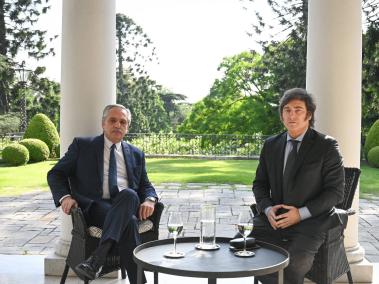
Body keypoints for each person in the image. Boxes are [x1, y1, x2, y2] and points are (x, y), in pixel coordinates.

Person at [47, 104, 157, 284]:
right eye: (113, 120)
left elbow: (145, 184)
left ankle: (96, 260)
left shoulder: (136, 153)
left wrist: (150, 200)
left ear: (127, 127)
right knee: (129, 222)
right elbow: (55, 174)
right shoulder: (83, 146)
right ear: (103, 124)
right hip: (96, 209)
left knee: (129, 195)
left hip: (127, 204)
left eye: (123, 122)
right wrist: (65, 197)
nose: (118, 125)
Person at [250, 88, 345, 284]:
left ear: (309, 115)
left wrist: (299, 213)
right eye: (287, 110)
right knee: (242, 250)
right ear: (282, 115)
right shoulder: (270, 145)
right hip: (274, 221)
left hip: (310, 222)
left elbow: (335, 192)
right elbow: (259, 184)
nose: (292, 115)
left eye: (298, 110)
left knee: (292, 265)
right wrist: (267, 209)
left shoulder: (326, 146)